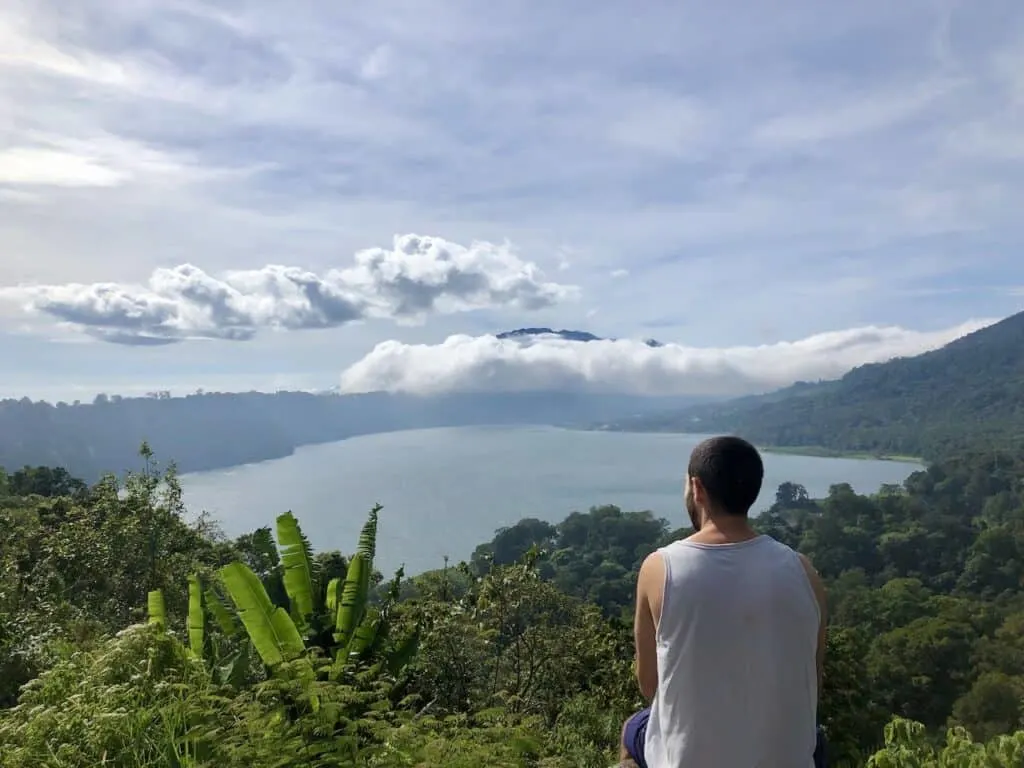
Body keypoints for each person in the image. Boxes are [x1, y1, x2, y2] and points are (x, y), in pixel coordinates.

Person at [620, 436, 828, 768]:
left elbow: (649, 685)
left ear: (697, 488)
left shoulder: (660, 568)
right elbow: (811, 686)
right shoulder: (803, 571)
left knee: (633, 729)